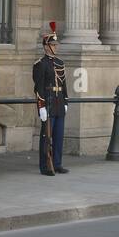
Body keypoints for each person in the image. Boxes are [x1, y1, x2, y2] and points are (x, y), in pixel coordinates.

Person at [32, 22, 68, 174]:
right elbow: (38, 87)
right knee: (47, 137)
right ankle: (45, 165)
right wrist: (41, 106)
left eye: (56, 44)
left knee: (59, 136)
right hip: (48, 102)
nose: (56, 46)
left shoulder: (60, 63)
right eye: (53, 44)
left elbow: (64, 84)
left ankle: (57, 163)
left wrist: (66, 101)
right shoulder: (40, 64)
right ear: (46, 46)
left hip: (59, 102)